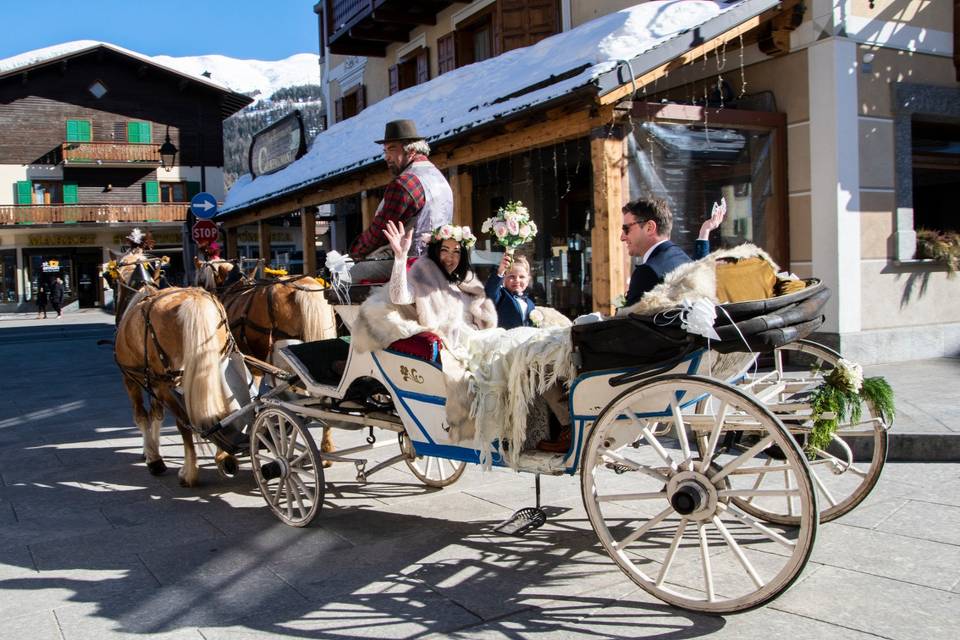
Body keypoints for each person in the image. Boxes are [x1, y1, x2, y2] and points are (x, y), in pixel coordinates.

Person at [381, 220, 496, 349]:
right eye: (444, 250)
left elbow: (485, 316)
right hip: (455, 351)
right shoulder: (424, 281)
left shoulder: (467, 283)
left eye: (456, 252)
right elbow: (399, 297)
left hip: (481, 342)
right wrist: (400, 258)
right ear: (435, 252)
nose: (450, 257)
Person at [349, 119, 453, 262]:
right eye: (385, 151)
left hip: (411, 264)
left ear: (411, 151)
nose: (386, 157)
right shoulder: (439, 178)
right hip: (440, 261)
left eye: (391, 149)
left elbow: (381, 232)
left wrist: (355, 252)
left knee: (347, 277)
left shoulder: (405, 183)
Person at [621, 197, 726, 307]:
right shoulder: (679, 257)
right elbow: (698, 269)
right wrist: (704, 232)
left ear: (649, 228)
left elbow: (629, 321)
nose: (622, 237)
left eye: (626, 229)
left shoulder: (647, 272)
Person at [484, 253, 536, 329]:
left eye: (522, 277)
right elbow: (490, 292)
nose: (517, 280)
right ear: (504, 278)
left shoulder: (530, 302)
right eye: (512, 276)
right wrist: (500, 271)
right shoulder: (501, 296)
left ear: (528, 280)